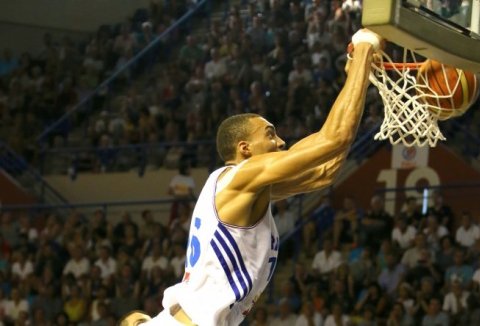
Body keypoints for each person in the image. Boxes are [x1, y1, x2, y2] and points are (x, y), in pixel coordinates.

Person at [121, 29, 382, 325]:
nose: (281, 142)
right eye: (270, 134)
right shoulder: (240, 177)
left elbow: (325, 171)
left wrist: (358, 77)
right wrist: (363, 51)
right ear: (244, 148)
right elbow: (333, 139)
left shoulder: (245, 189)